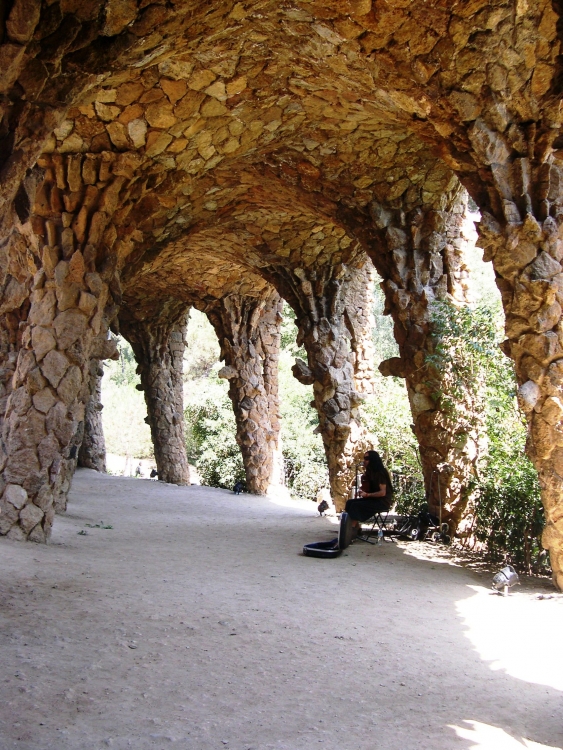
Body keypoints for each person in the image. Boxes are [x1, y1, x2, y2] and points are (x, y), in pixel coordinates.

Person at [345, 450, 393, 538]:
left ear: (373, 460)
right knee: (350, 503)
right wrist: (362, 491)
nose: (364, 461)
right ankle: (357, 529)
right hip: (373, 499)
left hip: (382, 502)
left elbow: (383, 493)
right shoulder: (370, 472)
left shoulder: (380, 473)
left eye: (366, 458)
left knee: (356, 506)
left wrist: (367, 495)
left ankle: (350, 532)